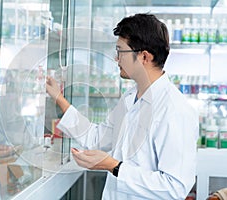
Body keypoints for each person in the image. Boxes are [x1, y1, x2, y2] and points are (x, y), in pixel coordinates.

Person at [46, 13, 199, 199]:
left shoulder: (174, 109)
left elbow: (174, 187)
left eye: (121, 51)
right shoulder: (130, 98)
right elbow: (97, 138)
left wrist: (115, 167)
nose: (116, 59)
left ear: (144, 57)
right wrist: (58, 97)